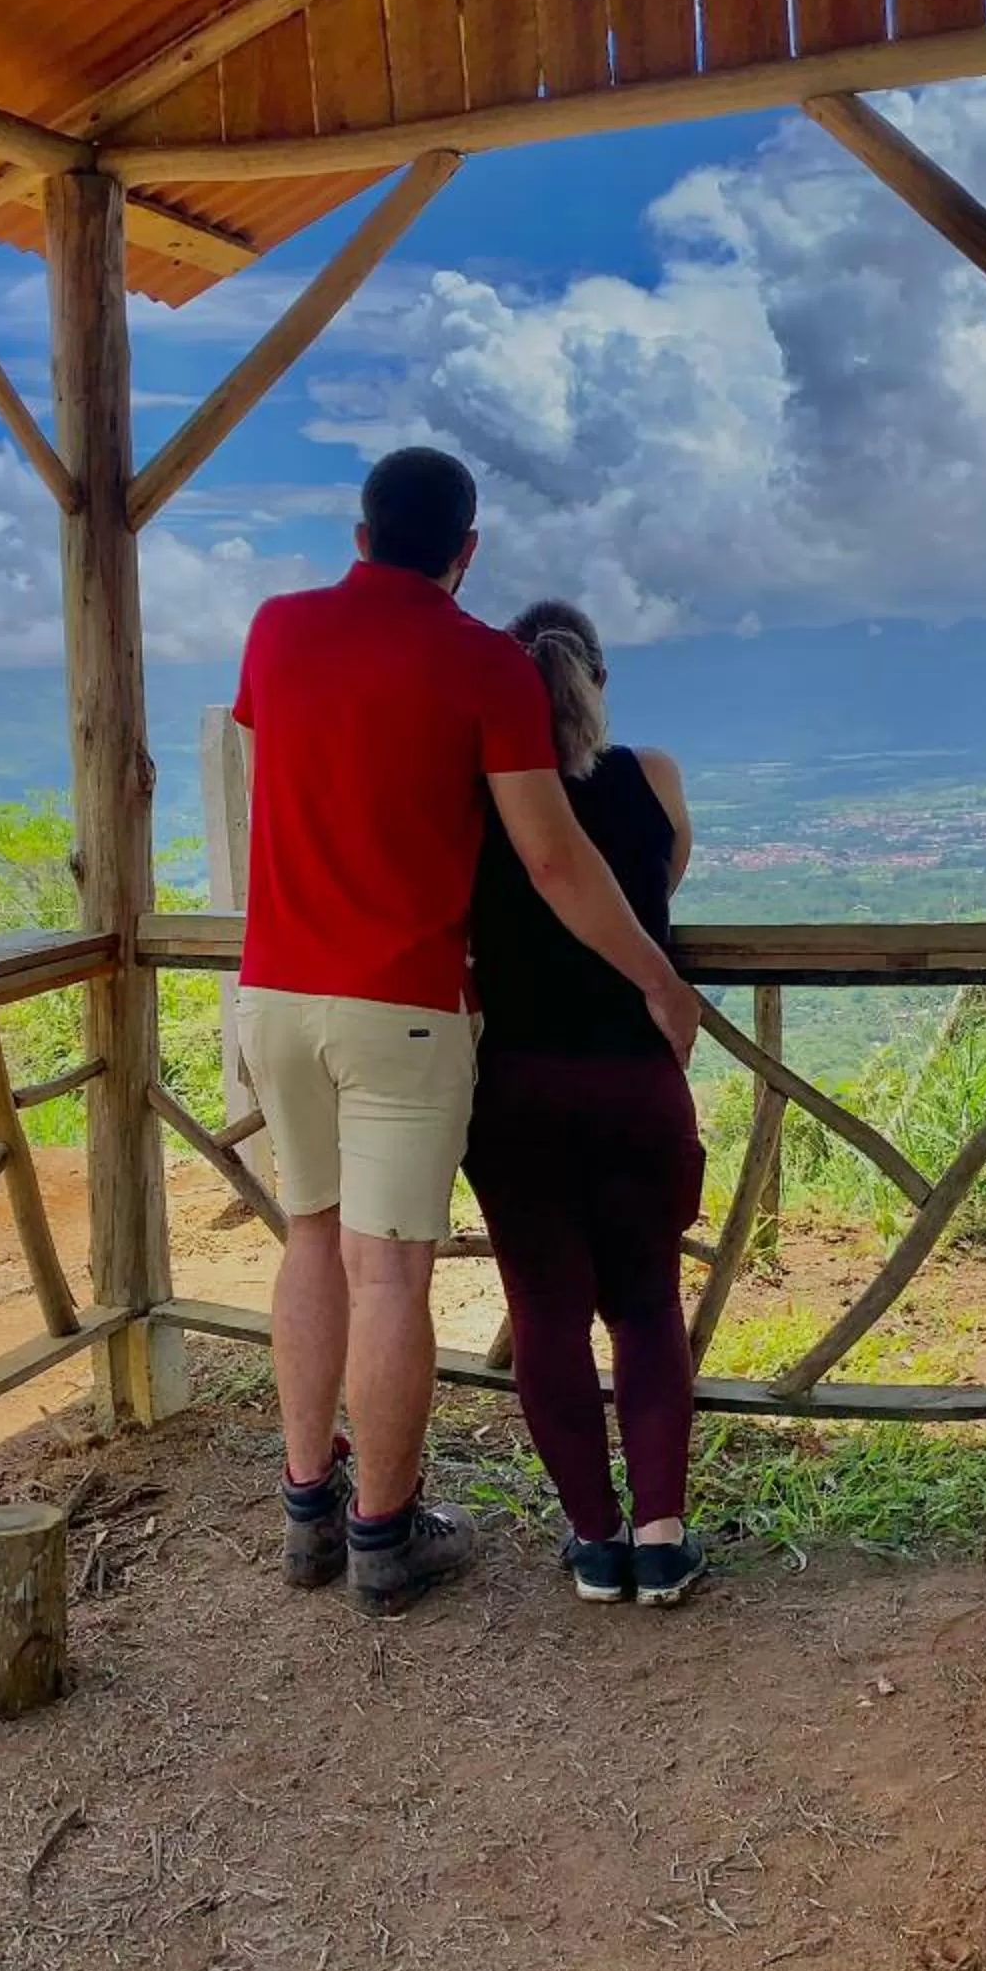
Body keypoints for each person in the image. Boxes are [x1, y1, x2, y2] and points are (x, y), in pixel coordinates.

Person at [233, 453, 698, 1617]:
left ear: (359, 534)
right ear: (467, 550)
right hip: (401, 1000)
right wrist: (660, 979)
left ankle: (306, 1505)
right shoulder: (484, 662)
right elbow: (554, 858)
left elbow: (280, 773)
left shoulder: (275, 630)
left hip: (273, 990)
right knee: (389, 1269)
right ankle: (383, 1536)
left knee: (309, 1238)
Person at [463, 600, 711, 1608]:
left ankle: (594, 1538)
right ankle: (662, 1536)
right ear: (599, 681)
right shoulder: (654, 775)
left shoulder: (477, 796)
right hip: (636, 1082)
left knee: (547, 1316)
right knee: (647, 1306)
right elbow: (665, 882)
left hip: (518, 1087)